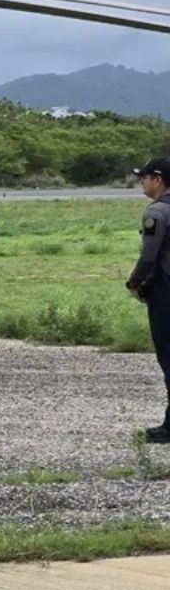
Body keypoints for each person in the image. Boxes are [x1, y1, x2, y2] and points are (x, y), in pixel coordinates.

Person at [127, 155, 170, 444]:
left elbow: (149, 256)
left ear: (158, 179)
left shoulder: (156, 212)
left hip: (166, 292)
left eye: (144, 177)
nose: (141, 182)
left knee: (169, 358)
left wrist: (134, 283)